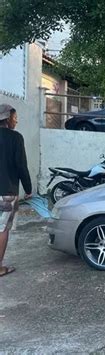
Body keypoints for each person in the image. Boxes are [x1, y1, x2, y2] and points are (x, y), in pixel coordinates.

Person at [0, 104, 32, 277]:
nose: (17, 121)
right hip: (6, 191)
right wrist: (28, 189)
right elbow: (21, 166)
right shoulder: (15, 138)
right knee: (2, 229)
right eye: (15, 117)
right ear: (7, 119)